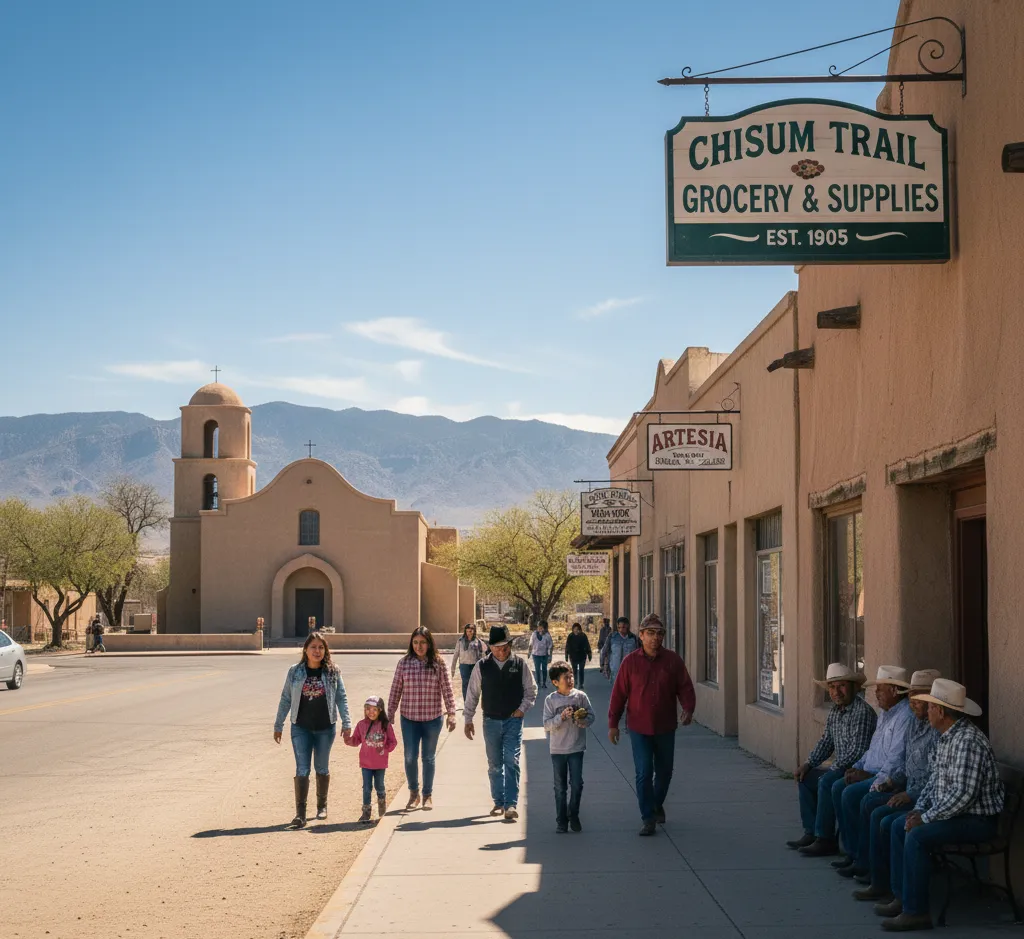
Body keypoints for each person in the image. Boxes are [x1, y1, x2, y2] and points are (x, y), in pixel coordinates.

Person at [877, 679, 1004, 932]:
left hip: (976, 821)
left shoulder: (968, 742)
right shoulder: (946, 737)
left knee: (917, 835)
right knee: (896, 823)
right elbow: (934, 782)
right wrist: (918, 810)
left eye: (932, 707)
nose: (928, 711)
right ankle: (902, 897)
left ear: (942, 712)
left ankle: (917, 912)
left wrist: (926, 818)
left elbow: (963, 796)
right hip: (956, 814)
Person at [851, 670, 941, 902]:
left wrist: (909, 794)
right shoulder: (917, 724)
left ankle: (900, 894)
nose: (912, 702)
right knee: (873, 806)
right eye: (910, 695)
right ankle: (879, 880)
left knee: (887, 818)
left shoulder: (942, 734)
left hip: (926, 800)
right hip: (912, 791)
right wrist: (891, 782)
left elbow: (936, 780)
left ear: (936, 704)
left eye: (919, 698)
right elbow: (905, 764)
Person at [608, 613, 695, 836]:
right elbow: (618, 695)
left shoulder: (672, 660)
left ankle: (656, 803)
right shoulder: (630, 663)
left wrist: (688, 708)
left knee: (665, 772)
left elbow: (685, 687)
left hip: (665, 726)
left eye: (659, 634)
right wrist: (613, 723)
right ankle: (648, 817)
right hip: (639, 727)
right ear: (641, 635)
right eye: (650, 633)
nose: (655, 638)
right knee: (644, 772)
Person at [831, 666, 915, 870]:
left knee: (851, 795)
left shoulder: (904, 716)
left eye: (880, 689)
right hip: (871, 770)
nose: (876, 693)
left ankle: (863, 860)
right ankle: (852, 852)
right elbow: (872, 749)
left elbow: (896, 759)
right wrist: (857, 766)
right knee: (837, 786)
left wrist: (872, 778)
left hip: (885, 776)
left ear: (895, 691)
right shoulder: (885, 713)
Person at [788, 663, 876, 855]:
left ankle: (825, 838)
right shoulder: (835, 711)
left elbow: (858, 751)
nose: (836, 692)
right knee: (805, 777)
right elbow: (826, 742)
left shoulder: (862, 712)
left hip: (858, 771)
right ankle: (811, 831)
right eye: (832, 687)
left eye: (841, 686)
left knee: (826, 781)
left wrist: (833, 769)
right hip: (840, 767)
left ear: (854, 687)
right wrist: (808, 763)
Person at [273, 631, 352, 828]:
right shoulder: (295, 672)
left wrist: (347, 722)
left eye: (320, 647)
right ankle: (300, 814)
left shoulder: (333, 672)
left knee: (322, 767)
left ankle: (321, 805)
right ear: (305, 650)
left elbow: (341, 698)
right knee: (302, 768)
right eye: (313, 647)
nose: (317, 651)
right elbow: (286, 698)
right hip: (301, 728)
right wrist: (278, 724)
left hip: (326, 728)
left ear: (325, 651)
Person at [463, 624, 538, 821]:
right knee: (495, 764)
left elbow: (531, 691)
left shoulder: (520, 665)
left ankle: (511, 804)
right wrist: (468, 718)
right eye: (497, 647)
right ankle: (499, 800)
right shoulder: (482, 666)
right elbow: (472, 693)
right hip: (491, 721)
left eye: (506, 646)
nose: (502, 651)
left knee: (511, 761)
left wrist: (522, 710)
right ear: (490, 647)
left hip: (513, 720)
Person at [388, 626, 457, 811]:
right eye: (416, 642)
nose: (419, 646)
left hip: (432, 719)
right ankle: (413, 793)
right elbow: (396, 688)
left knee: (428, 757)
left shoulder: (438, 663)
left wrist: (452, 713)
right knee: (410, 757)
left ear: (429, 643)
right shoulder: (404, 663)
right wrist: (390, 711)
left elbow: (447, 689)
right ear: (411, 643)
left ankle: (427, 795)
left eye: (423, 642)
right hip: (409, 719)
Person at [542, 660, 595, 833]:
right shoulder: (550, 700)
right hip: (557, 749)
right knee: (560, 788)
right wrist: (561, 717)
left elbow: (591, 717)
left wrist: (583, 721)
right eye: (566, 677)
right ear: (556, 682)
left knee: (577, 784)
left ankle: (574, 814)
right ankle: (561, 821)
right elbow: (547, 725)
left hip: (576, 747)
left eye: (571, 676)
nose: (570, 679)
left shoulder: (580, 697)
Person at [346, 695, 398, 824]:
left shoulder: (385, 725)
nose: (371, 712)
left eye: (374, 709)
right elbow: (356, 740)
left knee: (379, 786)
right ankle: (366, 811)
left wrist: (385, 749)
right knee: (367, 787)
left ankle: (382, 808)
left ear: (380, 710)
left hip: (380, 763)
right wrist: (347, 739)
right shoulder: (361, 725)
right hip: (366, 763)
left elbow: (393, 742)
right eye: (368, 709)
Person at [451, 623, 488, 699]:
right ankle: (466, 703)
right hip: (464, 666)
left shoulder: (478, 642)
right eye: (467, 631)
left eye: (471, 631)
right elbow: (456, 654)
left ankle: (473, 702)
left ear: (474, 631)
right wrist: (453, 668)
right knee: (465, 684)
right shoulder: (460, 641)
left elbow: (483, 653)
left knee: (474, 685)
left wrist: (484, 667)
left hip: (474, 665)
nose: (469, 633)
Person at [605, 617, 638, 683]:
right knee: (617, 691)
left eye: (623, 627)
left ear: (628, 626)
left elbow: (638, 654)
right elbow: (605, 651)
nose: (621, 630)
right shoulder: (612, 637)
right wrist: (604, 666)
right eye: (619, 627)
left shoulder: (633, 638)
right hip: (615, 670)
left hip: (630, 671)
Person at [564, 622, 592, 689]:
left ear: (580, 629)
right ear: (572, 629)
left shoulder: (583, 636)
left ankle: (581, 684)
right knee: (574, 670)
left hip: (582, 656)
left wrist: (589, 654)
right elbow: (567, 646)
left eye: (577, 629)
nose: (576, 630)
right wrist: (566, 655)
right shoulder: (570, 636)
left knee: (581, 670)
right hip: (573, 656)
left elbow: (587, 645)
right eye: (574, 629)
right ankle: (575, 682)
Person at [529, 622, 554, 689]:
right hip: (536, 655)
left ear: (545, 629)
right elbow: (531, 644)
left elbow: (551, 646)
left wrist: (550, 656)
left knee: (544, 669)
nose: (539, 629)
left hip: (544, 655)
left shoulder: (547, 636)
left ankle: (544, 683)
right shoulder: (534, 634)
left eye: (541, 628)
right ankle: (538, 683)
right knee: (537, 669)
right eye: (538, 627)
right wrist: (529, 652)